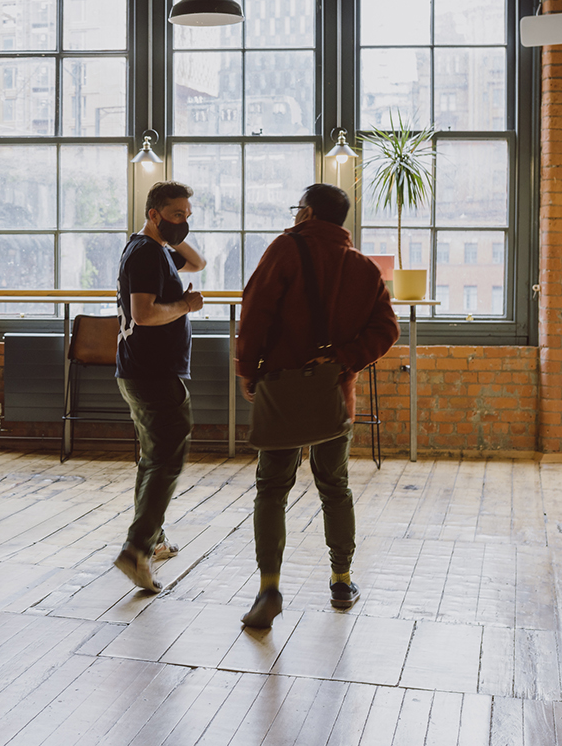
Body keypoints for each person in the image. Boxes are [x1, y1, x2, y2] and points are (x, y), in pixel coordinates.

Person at [235, 183, 399, 627]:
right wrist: (344, 359)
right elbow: (387, 330)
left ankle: (269, 588)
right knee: (335, 486)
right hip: (333, 397)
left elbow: (256, 310)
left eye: (297, 209)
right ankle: (342, 579)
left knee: (272, 488)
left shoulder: (285, 250)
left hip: (281, 392)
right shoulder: (364, 268)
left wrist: (246, 368)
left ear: (306, 214)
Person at [113, 180, 207, 592]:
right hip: (153, 374)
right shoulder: (147, 254)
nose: (183, 221)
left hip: (145, 372)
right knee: (167, 457)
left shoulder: (155, 250)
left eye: (187, 214)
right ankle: (138, 549)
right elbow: (146, 314)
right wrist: (187, 305)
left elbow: (198, 262)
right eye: (175, 214)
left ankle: (155, 539)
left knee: (153, 458)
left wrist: (175, 231)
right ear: (153, 213)